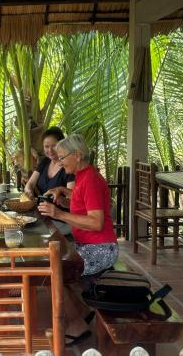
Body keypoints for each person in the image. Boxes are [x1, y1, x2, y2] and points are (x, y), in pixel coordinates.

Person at [38, 134, 118, 346]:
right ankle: (82, 311)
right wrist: (64, 193)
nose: (60, 161)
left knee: (51, 272)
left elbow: (96, 222)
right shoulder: (84, 175)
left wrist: (58, 214)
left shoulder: (90, 180)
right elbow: (80, 199)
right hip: (89, 246)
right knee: (54, 268)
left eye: (63, 157)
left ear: (78, 155)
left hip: (100, 249)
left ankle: (76, 325)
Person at [24, 126, 75, 198]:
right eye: (46, 146)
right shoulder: (45, 161)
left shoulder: (69, 166)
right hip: (38, 207)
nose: (50, 150)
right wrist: (28, 191)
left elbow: (71, 198)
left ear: (62, 144)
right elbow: (31, 183)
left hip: (59, 208)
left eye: (54, 146)